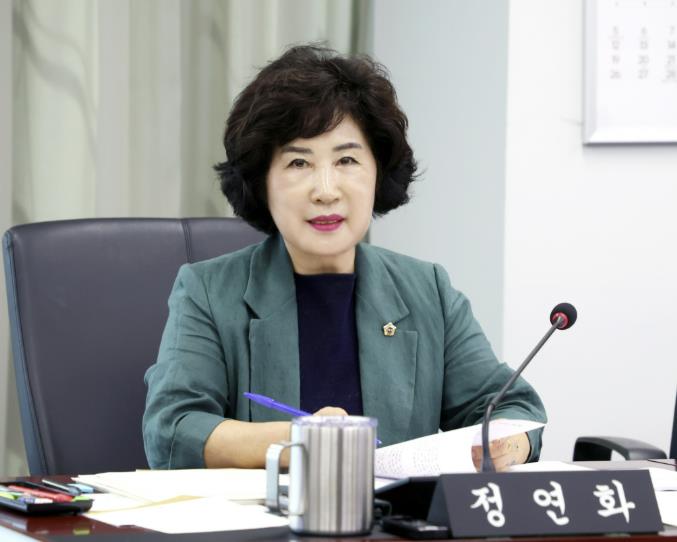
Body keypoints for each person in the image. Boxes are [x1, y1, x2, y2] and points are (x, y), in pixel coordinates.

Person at [142, 45, 546, 471]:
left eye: (347, 160)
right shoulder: (208, 291)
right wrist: (301, 442)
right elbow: (173, 429)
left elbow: (511, 408)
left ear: (378, 173)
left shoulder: (428, 290)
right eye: (299, 163)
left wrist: (505, 445)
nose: (326, 190)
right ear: (263, 181)